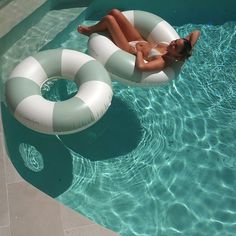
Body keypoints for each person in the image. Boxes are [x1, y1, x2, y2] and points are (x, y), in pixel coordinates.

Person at [78, 9, 200, 72]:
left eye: (175, 46)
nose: (172, 43)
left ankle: (89, 31)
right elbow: (196, 32)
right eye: (175, 41)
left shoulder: (162, 61)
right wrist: (189, 50)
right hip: (138, 40)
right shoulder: (175, 50)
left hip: (128, 49)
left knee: (109, 19)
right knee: (115, 12)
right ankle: (98, 29)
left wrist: (139, 53)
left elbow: (141, 67)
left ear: (177, 55)